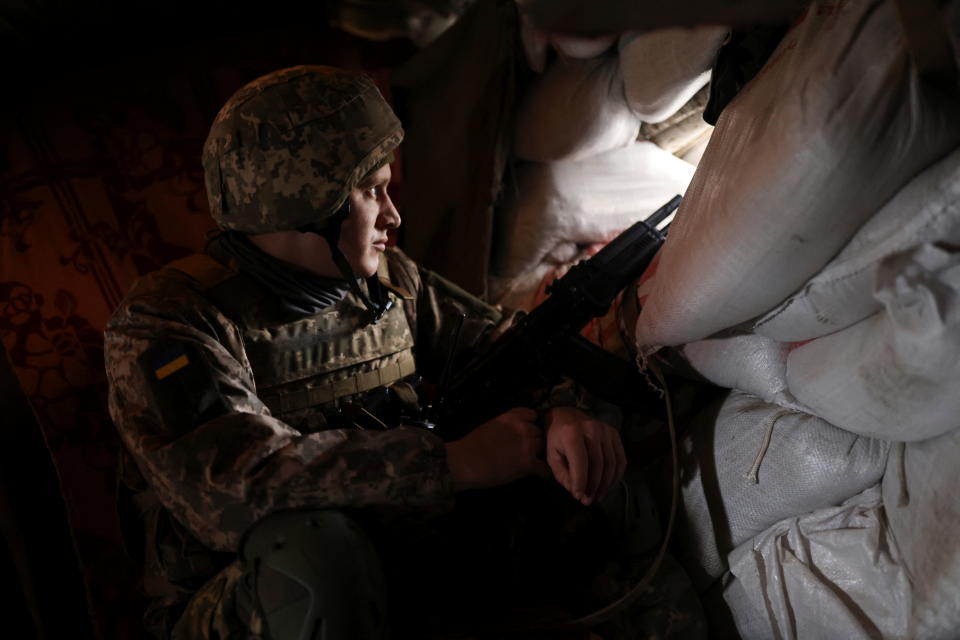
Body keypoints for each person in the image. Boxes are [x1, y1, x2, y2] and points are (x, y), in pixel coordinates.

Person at [105, 65, 700, 640]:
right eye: (372, 191)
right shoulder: (169, 322)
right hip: (248, 598)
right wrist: (453, 464)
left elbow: (500, 347)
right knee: (313, 554)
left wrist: (561, 411)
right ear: (309, 203)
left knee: (588, 465)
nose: (393, 215)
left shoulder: (387, 281)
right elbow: (230, 489)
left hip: (397, 546)